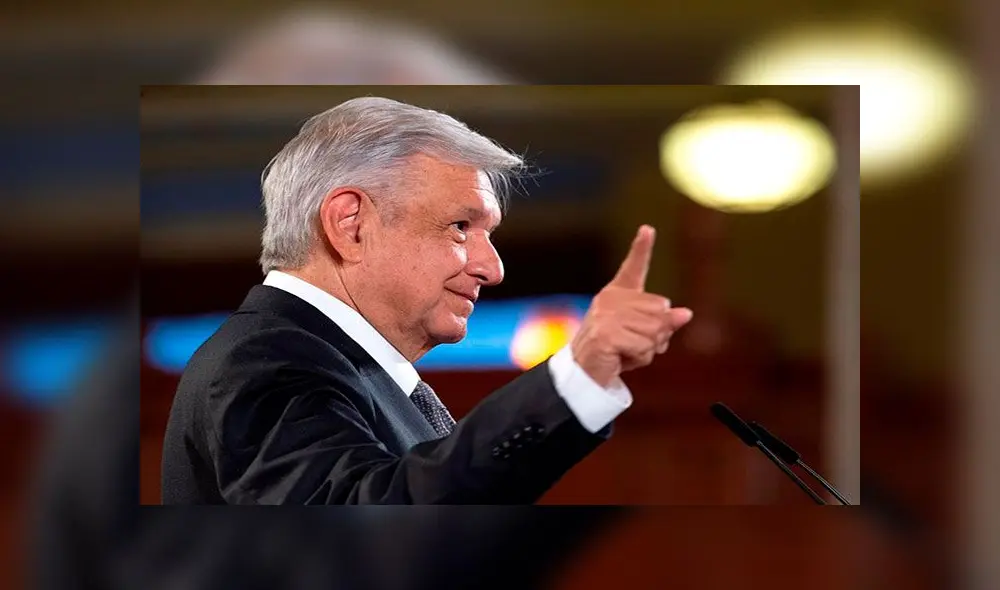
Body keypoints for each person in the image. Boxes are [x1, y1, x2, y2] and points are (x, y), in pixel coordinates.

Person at [160, 96, 693, 505]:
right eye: (460, 226)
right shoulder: (267, 362)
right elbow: (368, 532)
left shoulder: (337, 366)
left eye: (488, 234)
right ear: (351, 224)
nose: (493, 268)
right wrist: (575, 376)